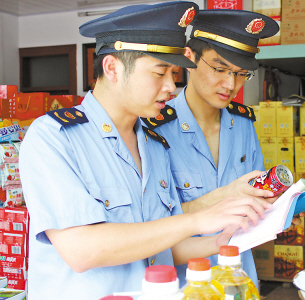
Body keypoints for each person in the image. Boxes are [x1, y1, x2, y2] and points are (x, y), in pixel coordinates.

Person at [19, 3, 271, 299]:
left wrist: (226, 238)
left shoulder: (154, 145)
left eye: (173, 73)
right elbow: (81, 249)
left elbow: (161, 246)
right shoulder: (54, 138)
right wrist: (198, 219)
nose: (170, 87)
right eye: (159, 72)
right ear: (112, 68)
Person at [141, 9, 280, 287]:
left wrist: (276, 205)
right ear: (189, 58)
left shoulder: (243, 124)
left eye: (241, 74)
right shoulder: (152, 128)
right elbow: (149, 227)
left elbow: (257, 196)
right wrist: (222, 199)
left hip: (239, 277)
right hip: (186, 283)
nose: (231, 85)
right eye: (220, 69)